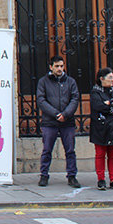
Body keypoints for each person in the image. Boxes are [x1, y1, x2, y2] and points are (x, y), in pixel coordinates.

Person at [36, 55, 80, 188]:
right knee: (47, 150)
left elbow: (74, 99)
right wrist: (56, 114)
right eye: (57, 66)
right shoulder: (43, 82)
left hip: (67, 122)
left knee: (70, 150)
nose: (59, 69)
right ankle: (44, 175)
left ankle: (72, 176)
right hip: (50, 122)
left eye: (61, 66)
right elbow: (41, 100)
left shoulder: (70, 82)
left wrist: (65, 114)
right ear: (51, 67)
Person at [89, 67, 113, 191]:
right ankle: (101, 179)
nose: (112, 80)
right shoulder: (95, 92)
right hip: (100, 127)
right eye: (110, 77)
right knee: (100, 154)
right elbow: (98, 106)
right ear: (101, 79)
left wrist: (109, 103)